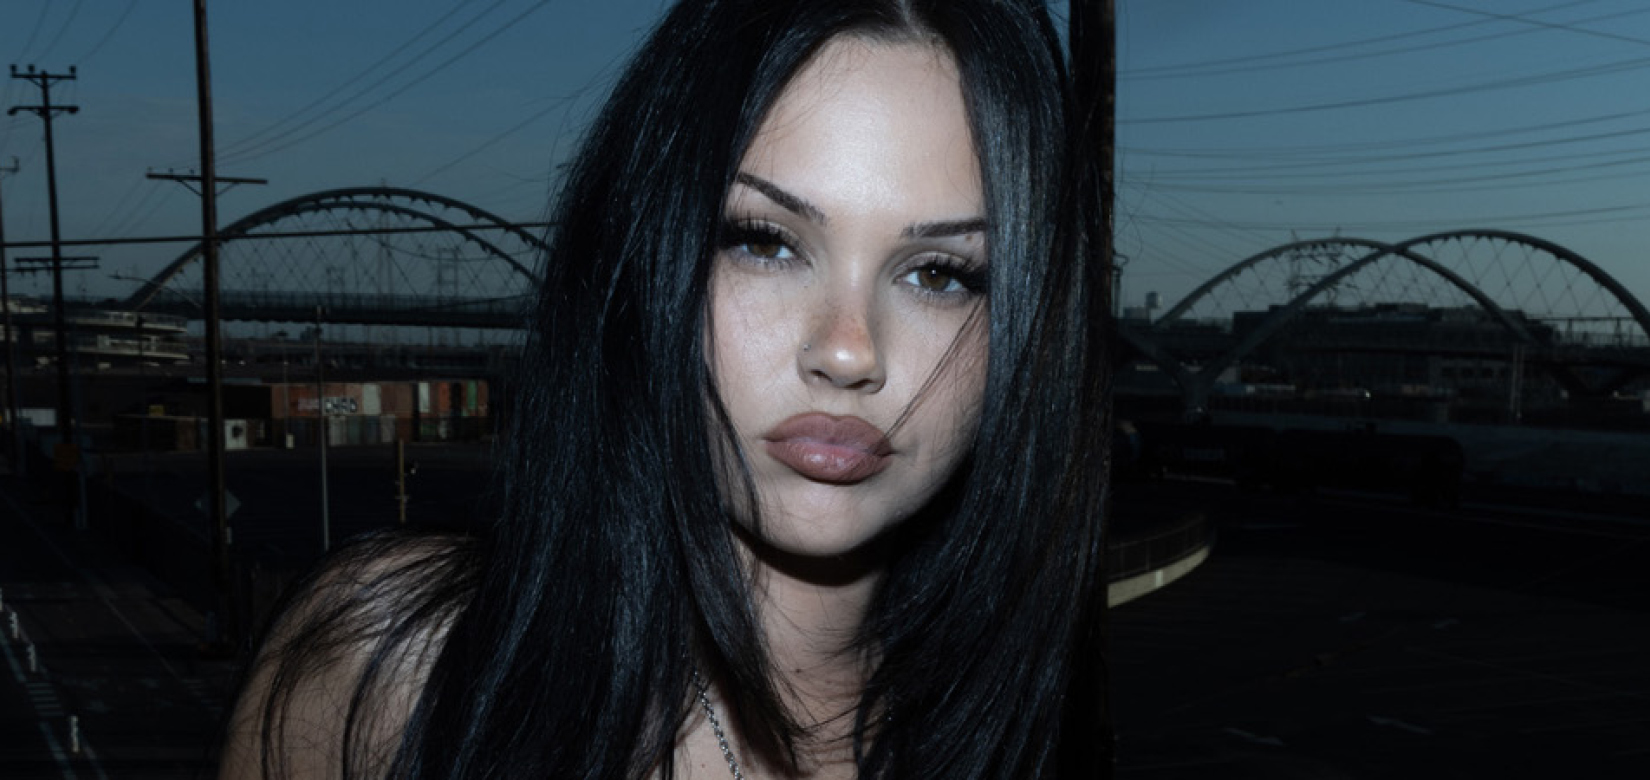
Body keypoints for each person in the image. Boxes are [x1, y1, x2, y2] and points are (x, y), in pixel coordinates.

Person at [219, 0, 1112, 778]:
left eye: (940, 274)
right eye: (764, 241)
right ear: (647, 255)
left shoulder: (1027, 737)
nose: (847, 352)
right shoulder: (395, 668)